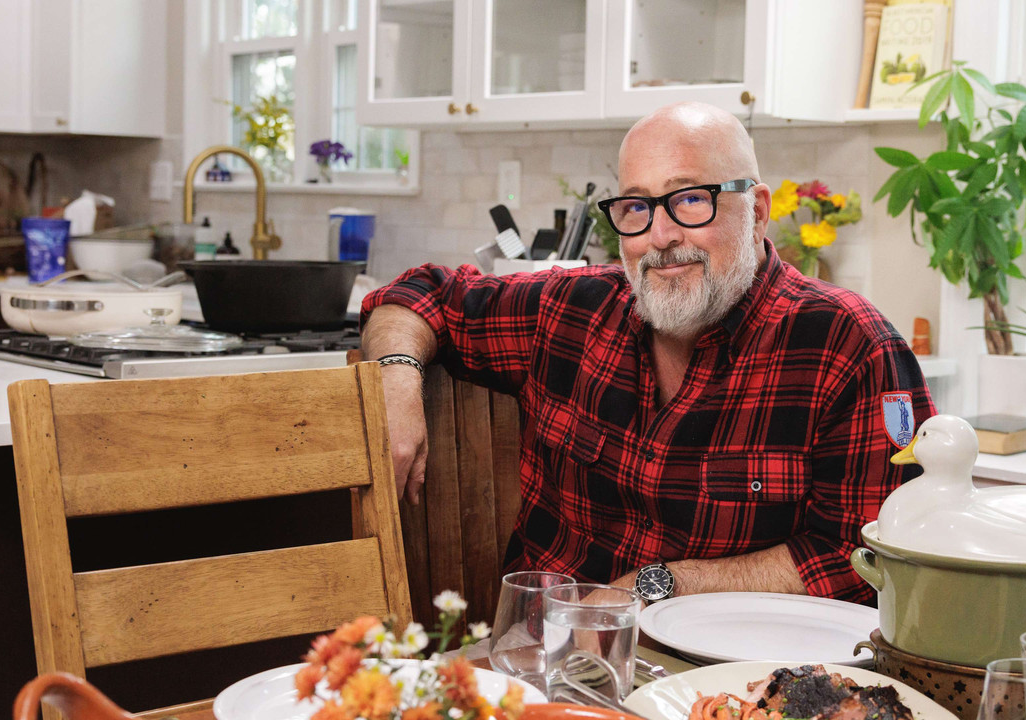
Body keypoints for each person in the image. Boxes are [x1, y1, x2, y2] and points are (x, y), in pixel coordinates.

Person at [360, 101, 934, 604]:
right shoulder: (571, 310)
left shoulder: (851, 346)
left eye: (689, 201)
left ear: (757, 211)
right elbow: (423, 292)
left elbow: (869, 559)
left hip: (739, 679)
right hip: (548, 659)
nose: (659, 236)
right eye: (636, 208)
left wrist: (659, 586)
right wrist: (393, 378)